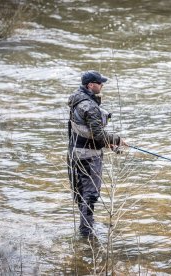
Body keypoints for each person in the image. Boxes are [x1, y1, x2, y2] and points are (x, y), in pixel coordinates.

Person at [67, 70, 126, 237]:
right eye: (100, 83)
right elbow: (98, 135)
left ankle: (86, 226)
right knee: (90, 194)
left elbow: (87, 132)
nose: (102, 85)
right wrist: (117, 140)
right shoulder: (90, 106)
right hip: (88, 155)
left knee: (80, 191)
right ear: (90, 85)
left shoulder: (75, 98)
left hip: (74, 152)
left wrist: (110, 145)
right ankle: (86, 234)